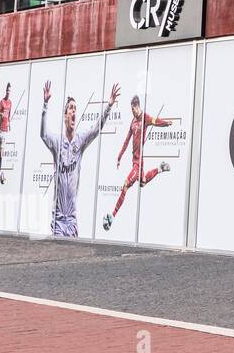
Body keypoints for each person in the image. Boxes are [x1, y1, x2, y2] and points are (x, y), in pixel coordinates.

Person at [40, 79, 118, 238]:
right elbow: (43, 134)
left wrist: (109, 106)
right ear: (65, 116)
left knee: (72, 252)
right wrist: (45, 105)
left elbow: (96, 129)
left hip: (72, 219)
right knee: (56, 251)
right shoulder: (57, 142)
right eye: (71, 108)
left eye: (75, 108)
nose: (74, 111)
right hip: (58, 218)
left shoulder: (80, 140)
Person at [102, 95, 172, 233]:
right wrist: (120, 156)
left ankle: (112, 216)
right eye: (131, 110)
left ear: (137, 106)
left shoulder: (145, 118)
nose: (132, 112)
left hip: (138, 163)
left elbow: (155, 121)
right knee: (143, 182)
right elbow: (126, 140)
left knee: (125, 184)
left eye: (133, 109)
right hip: (135, 160)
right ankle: (160, 168)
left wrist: (165, 123)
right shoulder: (133, 121)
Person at [0, 82, 12, 185]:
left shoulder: (10, 102)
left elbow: (9, 115)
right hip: (0, 131)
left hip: (5, 131)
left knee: (1, 154)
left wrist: (9, 124)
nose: (8, 92)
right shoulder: (2, 102)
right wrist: (1, 113)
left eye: (10, 90)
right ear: (5, 91)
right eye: (7, 90)